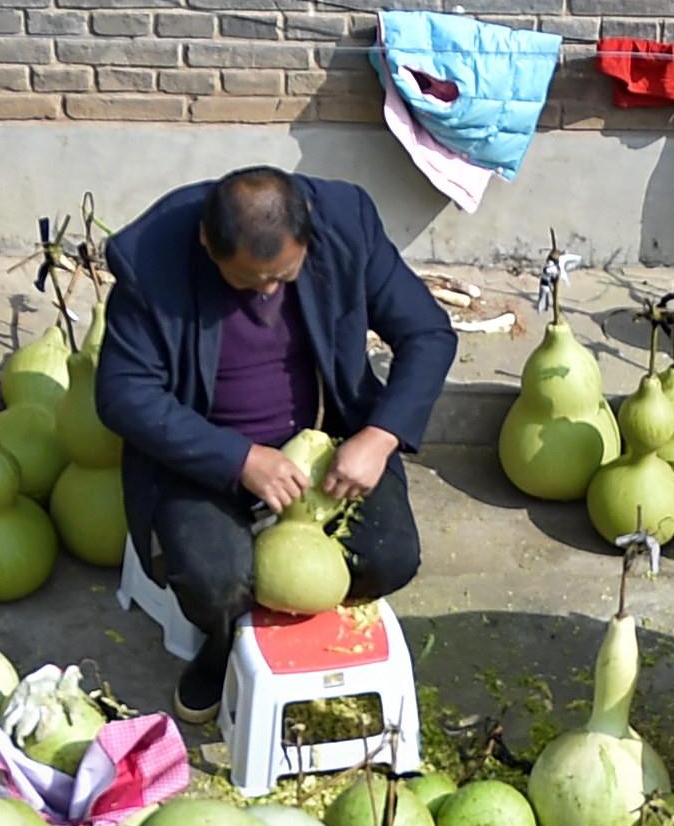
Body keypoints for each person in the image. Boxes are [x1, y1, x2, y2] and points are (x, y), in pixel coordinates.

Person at [95, 167, 456, 734]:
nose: (266, 292)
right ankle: (221, 645)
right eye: (246, 282)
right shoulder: (151, 262)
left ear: (307, 229)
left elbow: (429, 333)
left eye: (282, 277)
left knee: (391, 557)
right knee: (214, 583)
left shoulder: (346, 223)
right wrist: (239, 459)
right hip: (205, 458)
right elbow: (122, 395)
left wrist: (379, 436)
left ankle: (286, 624)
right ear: (207, 243)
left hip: (326, 439)